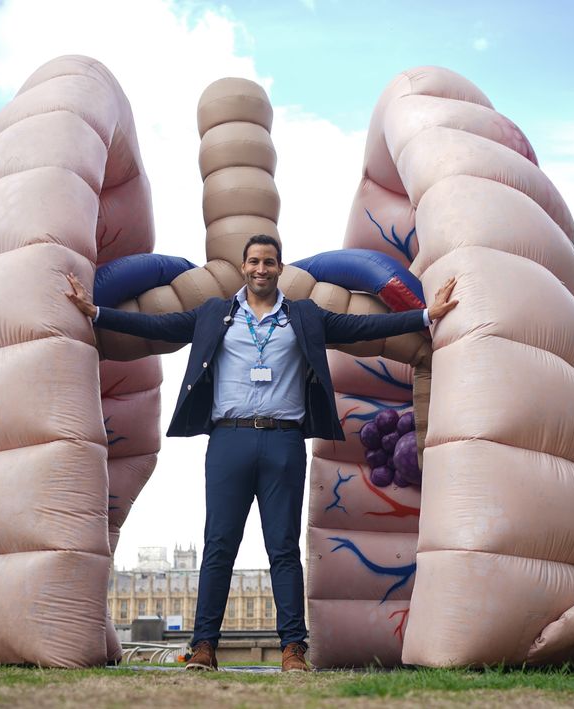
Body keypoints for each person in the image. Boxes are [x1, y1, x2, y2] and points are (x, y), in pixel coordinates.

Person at [65, 235, 458, 672]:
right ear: (244, 266)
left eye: (269, 262)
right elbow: (159, 326)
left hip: (284, 441)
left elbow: (358, 326)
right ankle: (203, 649)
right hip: (228, 440)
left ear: (279, 267)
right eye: (254, 261)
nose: (261, 269)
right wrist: (97, 312)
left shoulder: (304, 316)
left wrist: (424, 314)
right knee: (218, 545)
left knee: (283, 548)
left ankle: (293, 649)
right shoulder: (215, 314)